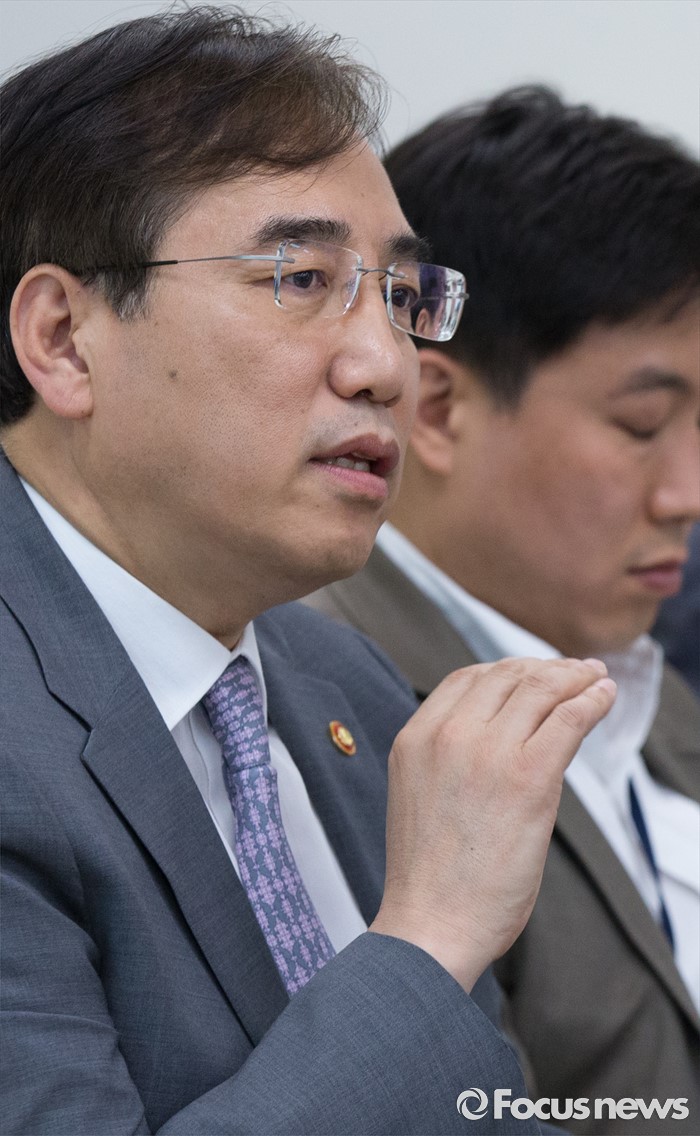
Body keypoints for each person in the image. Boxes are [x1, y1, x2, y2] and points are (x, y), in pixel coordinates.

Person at [0, 15, 617, 1135]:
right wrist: (428, 937)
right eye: (299, 277)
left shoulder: (345, 682)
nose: (387, 364)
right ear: (63, 338)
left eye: (399, 294)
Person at [306, 87, 700, 1134]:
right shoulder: (339, 713)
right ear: (436, 408)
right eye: (642, 424)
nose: (687, 492)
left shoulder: (651, 689)